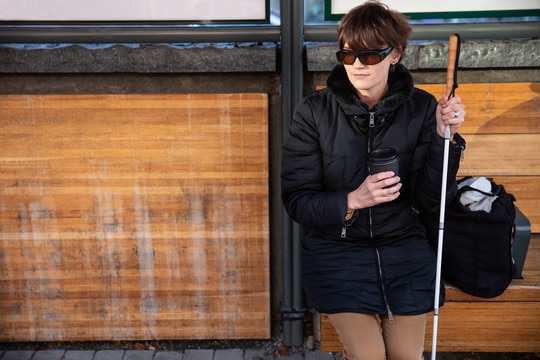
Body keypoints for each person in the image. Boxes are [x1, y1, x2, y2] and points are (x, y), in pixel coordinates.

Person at [281, 1, 466, 359]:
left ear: (395, 54)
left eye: (369, 56)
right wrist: (352, 200)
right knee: (369, 356)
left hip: (403, 247)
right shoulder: (314, 112)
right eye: (348, 56)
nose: (357, 66)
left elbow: (431, 200)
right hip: (336, 251)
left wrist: (445, 137)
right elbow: (297, 200)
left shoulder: (423, 108)